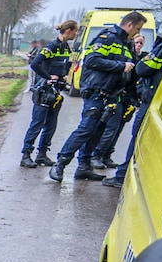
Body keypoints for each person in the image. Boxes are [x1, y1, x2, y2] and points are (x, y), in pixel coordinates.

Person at [49, 11, 147, 182]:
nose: (137, 32)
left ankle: (83, 167)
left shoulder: (127, 43)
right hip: (96, 92)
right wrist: (120, 65)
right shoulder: (107, 37)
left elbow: (131, 70)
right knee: (86, 128)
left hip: (111, 95)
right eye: (137, 28)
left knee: (97, 132)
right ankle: (60, 164)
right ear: (130, 24)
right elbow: (92, 60)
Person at [103, 32, 162, 188]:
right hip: (158, 103)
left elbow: (142, 68)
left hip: (152, 103)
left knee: (138, 136)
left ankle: (122, 176)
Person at [20, 20, 78, 168]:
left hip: (56, 91)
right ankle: (26, 155)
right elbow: (35, 64)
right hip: (44, 91)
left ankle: (42, 154)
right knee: (37, 123)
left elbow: (63, 65)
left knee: (51, 125)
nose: (76, 34)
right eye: (75, 31)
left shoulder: (66, 48)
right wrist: (48, 76)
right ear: (69, 31)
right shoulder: (51, 46)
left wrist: (64, 75)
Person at [93, 33, 145, 168]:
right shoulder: (125, 57)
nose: (138, 45)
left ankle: (107, 155)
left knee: (118, 129)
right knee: (111, 127)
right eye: (137, 42)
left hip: (129, 99)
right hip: (118, 97)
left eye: (141, 43)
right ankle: (96, 155)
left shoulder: (140, 59)